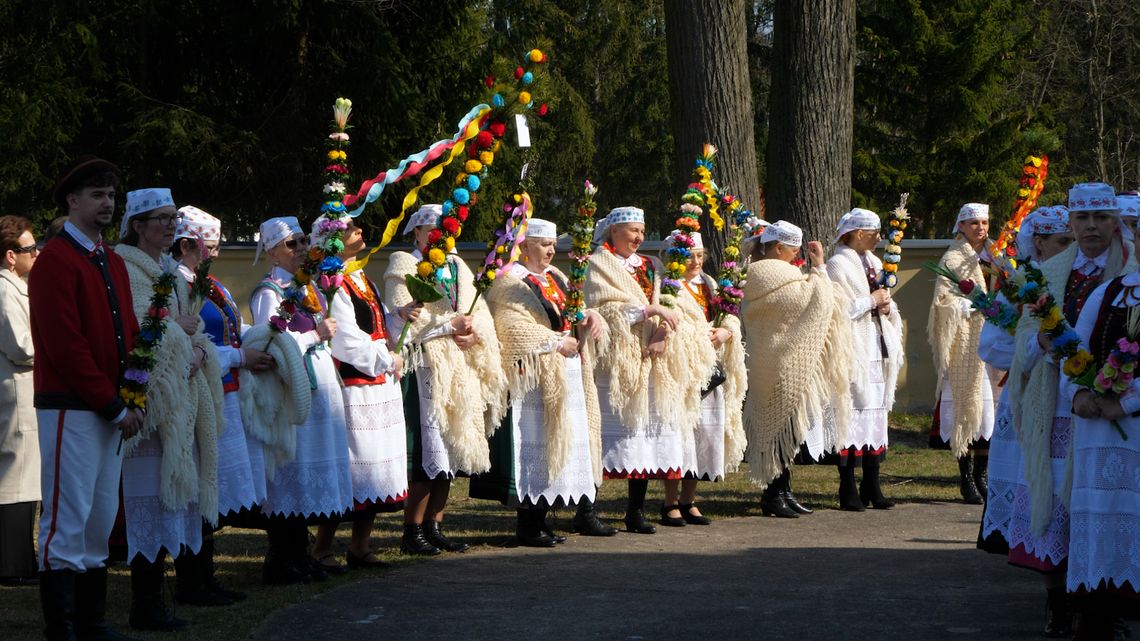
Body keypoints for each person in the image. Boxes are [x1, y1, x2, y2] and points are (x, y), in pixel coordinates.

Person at [1006, 184, 1134, 639]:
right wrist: (1042, 342)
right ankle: (1058, 602)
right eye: (1083, 219)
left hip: (1114, 411)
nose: (1093, 226)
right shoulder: (1049, 273)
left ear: (1116, 221)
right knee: (1057, 508)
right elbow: (1020, 339)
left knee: (1100, 505)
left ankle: (1103, 604)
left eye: (1102, 217)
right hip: (1056, 405)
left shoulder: (1131, 274)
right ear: (1071, 224)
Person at [32, 156, 141, 641]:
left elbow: (131, 334)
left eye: (112, 196)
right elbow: (65, 344)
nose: (107, 203)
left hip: (109, 408)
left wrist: (134, 393)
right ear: (72, 201)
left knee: (100, 517)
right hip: (70, 408)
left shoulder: (110, 259)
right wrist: (113, 403)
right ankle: (63, 627)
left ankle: (92, 621)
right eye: (97, 195)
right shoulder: (56, 259)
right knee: (68, 518)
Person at [114, 188, 225, 631]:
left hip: (182, 394)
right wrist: (183, 338)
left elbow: (189, 326)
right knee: (149, 502)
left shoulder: (168, 271)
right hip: (151, 403)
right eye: (159, 219)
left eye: (170, 218)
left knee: (174, 501)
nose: (168, 226)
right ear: (137, 225)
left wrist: (195, 349)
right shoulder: (126, 266)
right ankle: (145, 603)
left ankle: (172, 592)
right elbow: (139, 328)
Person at [473, 218, 609, 546]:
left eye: (552, 245)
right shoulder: (508, 281)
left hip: (567, 371)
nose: (550, 250)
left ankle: (544, 517)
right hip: (533, 377)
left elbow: (573, 310)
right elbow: (509, 325)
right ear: (524, 245)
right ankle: (528, 524)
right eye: (543, 244)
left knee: (559, 441)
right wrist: (553, 342)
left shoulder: (557, 277)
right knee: (536, 443)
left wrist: (590, 316)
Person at [383, 204, 508, 554]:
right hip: (426, 366)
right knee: (428, 450)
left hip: (459, 367)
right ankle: (413, 529)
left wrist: (475, 334)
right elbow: (405, 321)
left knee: (449, 450)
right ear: (419, 233)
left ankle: (435, 524)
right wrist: (448, 326)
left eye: (446, 231)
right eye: (433, 230)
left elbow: (478, 312)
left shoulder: (457, 265)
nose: (441, 237)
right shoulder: (405, 263)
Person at [977, 206, 1074, 637]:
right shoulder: (1017, 289)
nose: (1069, 251)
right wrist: (1034, 349)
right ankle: (1057, 598)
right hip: (1033, 404)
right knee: (1043, 496)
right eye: (1062, 243)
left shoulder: (1084, 281)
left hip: (1074, 403)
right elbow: (993, 349)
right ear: (1039, 244)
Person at [584, 206, 710, 534]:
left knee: (642, 434)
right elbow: (603, 308)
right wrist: (645, 311)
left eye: (642, 231)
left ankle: (635, 511)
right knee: (605, 434)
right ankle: (587, 510)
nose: (639, 238)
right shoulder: (598, 263)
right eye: (632, 231)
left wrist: (661, 330)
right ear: (613, 231)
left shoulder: (651, 265)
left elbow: (669, 305)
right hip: (616, 362)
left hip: (648, 360)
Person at [171, 205, 270, 605]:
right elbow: (192, 344)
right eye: (207, 246)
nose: (214, 253)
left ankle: (206, 575)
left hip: (223, 394)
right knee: (197, 485)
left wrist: (270, 335)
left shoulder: (211, 285)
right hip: (200, 393)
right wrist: (239, 358)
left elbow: (234, 328)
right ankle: (190, 580)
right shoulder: (174, 283)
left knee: (212, 484)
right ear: (186, 245)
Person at [249, 216, 354, 583]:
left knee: (308, 467)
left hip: (316, 388)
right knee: (291, 470)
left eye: (301, 242)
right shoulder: (270, 292)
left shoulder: (303, 288)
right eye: (291, 244)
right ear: (273, 251)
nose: (299, 250)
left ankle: (300, 554)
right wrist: (316, 337)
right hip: (291, 392)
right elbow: (269, 344)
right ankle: (281, 558)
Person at [741, 221, 854, 518]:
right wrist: (818, 268)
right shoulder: (769, 273)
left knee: (786, 426)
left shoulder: (761, 273)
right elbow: (815, 302)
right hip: (776, 359)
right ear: (779, 248)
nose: (795, 256)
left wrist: (814, 275)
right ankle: (772, 495)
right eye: (793, 250)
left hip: (774, 358)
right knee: (778, 424)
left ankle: (783, 490)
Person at [321, 215, 410, 567]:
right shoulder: (332, 284)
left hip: (378, 383)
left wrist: (399, 315)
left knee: (373, 467)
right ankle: (322, 548)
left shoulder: (361, 279)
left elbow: (378, 322)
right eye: (350, 229)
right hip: (355, 383)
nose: (359, 231)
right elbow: (344, 338)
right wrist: (384, 357)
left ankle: (360, 545)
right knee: (351, 466)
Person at [1066, 257, 1140, 640]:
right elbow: (1073, 349)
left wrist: (1127, 402)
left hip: (1133, 423)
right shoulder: (1109, 291)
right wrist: (1077, 391)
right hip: (1101, 433)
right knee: (1104, 521)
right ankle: (1099, 613)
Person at [663, 231, 747, 526]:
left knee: (703, 436)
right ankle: (670, 502)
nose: (695, 261)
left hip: (711, 368)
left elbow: (729, 314)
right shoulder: (669, 287)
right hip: (685, 369)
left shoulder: (710, 284)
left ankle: (689, 500)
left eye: (700, 256)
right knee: (681, 435)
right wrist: (702, 335)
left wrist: (726, 331)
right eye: (689, 256)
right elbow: (674, 325)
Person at [825, 209, 904, 511]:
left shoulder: (874, 262)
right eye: (874, 233)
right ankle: (847, 486)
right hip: (853, 347)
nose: (879, 238)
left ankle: (872, 483)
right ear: (858, 233)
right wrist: (871, 301)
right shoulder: (837, 265)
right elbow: (836, 310)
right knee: (851, 411)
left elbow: (886, 299)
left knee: (875, 414)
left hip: (875, 343)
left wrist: (886, 308)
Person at [927, 203, 1001, 503]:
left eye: (984, 222)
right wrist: (975, 304)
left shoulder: (998, 256)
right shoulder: (953, 257)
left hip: (997, 340)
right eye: (973, 223)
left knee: (990, 411)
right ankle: (966, 476)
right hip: (967, 342)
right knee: (967, 407)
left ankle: (983, 475)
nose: (980, 228)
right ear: (961, 226)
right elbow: (943, 302)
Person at [0, 215, 39, 586]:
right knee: (15, 476)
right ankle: (12, 565)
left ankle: (21, 561)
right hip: (14, 389)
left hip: (22, 388)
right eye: (30, 249)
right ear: (11, 256)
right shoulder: (3, 290)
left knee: (24, 476)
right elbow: (22, 346)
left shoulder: (16, 286)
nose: (37, 253)